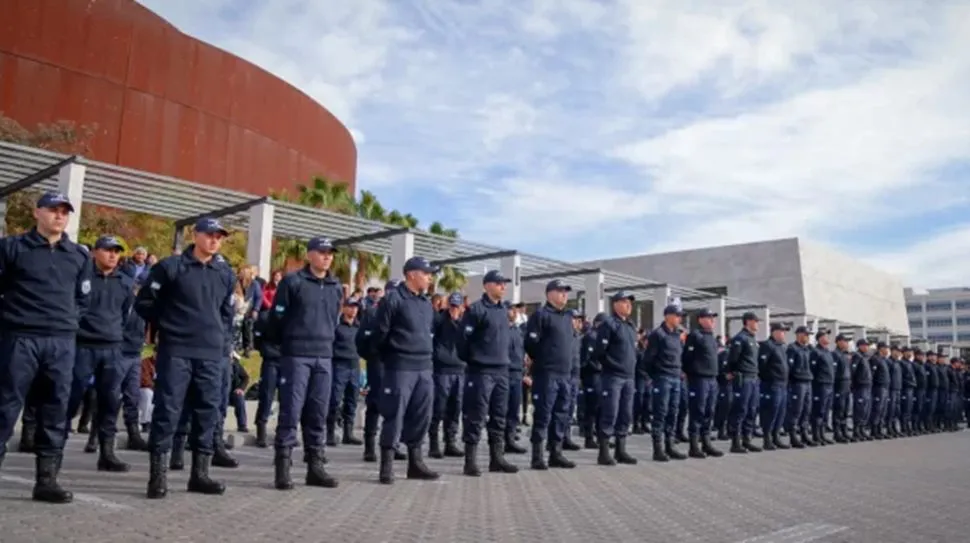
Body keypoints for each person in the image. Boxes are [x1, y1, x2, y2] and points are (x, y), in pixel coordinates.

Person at [0, 191, 92, 504]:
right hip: (20, 338)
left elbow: (83, 299)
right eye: (53, 210)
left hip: (61, 342)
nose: (59, 216)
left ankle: (47, 480)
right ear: (37, 212)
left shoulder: (78, 255)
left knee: (56, 409)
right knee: (5, 406)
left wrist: (65, 322)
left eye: (65, 211)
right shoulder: (12, 248)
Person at [137, 217, 235, 499]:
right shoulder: (170, 267)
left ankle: (200, 474)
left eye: (220, 236)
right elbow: (144, 303)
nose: (215, 240)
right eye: (210, 235)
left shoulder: (225, 272)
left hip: (211, 354)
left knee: (207, 411)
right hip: (177, 350)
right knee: (167, 410)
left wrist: (222, 341)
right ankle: (158, 476)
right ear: (196, 235)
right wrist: (169, 325)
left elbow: (227, 314)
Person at [269, 237, 343, 490]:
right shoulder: (293, 282)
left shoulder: (335, 286)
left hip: (324, 356)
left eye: (330, 253)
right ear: (309, 254)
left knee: (318, 413)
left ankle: (315, 467)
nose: (327, 257)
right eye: (322, 252)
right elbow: (277, 319)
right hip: (296, 355)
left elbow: (334, 319)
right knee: (291, 410)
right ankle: (283, 467)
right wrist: (289, 342)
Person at [66, 235, 135, 471]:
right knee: (70, 397)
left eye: (117, 251)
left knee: (110, 401)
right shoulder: (82, 276)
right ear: (95, 252)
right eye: (108, 250)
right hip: (82, 346)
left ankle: (107, 453)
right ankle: (54, 450)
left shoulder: (125, 282)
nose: (113, 255)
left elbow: (125, 314)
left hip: (112, 348)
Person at [371, 257, 441, 484]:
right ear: (411, 274)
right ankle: (387, 466)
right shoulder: (393, 299)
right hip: (400, 367)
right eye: (427, 273)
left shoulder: (425, 303)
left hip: (424, 367)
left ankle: (415, 463)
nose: (430, 277)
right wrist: (390, 357)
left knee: (421, 416)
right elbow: (379, 334)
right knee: (394, 415)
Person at [459, 270, 517, 476]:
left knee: (499, 417)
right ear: (487, 285)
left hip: (502, 371)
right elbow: (462, 343)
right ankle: (470, 461)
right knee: (476, 416)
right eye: (499, 283)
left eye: (504, 283)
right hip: (481, 371)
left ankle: (497, 459)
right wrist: (476, 360)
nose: (504, 287)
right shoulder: (476, 310)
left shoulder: (503, 310)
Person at [523, 279, 577, 471]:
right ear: (549, 294)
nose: (564, 294)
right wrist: (544, 360)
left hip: (565, 375)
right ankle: (537, 457)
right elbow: (530, 344)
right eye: (560, 291)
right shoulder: (540, 315)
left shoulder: (567, 317)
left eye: (566, 291)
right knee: (543, 415)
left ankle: (556, 453)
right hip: (547, 374)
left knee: (561, 415)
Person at [591, 291, 639, 466]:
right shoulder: (609, 324)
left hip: (629, 377)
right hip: (613, 377)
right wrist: (612, 366)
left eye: (630, 302)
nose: (629, 305)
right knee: (610, 413)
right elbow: (599, 353)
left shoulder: (631, 326)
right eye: (625, 302)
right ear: (615, 304)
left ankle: (621, 450)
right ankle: (604, 452)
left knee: (625, 414)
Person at [643, 304, 687, 462]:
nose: (679, 319)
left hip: (676, 378)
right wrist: (654, 377)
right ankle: (658, 448)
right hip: (663, 378)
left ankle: (670, 445)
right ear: (668, 316)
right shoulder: (658, 335)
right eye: (677, 315)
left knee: (673, 412)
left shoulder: (677, 335)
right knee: (660, 413)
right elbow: (648, 359)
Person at [681, 307, 723, 458]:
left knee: (709, 411)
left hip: (712, 379)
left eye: (713, 317)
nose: (712, 320)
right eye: (709, 317)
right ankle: (694, 446)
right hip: (699, 379)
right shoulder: (695, 336)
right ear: (700, 319)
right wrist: (691, 374)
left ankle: (706, 442)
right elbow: (687, 358)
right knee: (697, 411)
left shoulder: (711, 336)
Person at [429, 292, 466, 459]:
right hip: (442, 370)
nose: (454, 309)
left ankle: (450, 442)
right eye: (452, 305)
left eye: (457, 306)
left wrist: (457, 320)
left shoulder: (464, 322)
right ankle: (433, 444)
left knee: (455, 408)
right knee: (438, 408)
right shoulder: (438, 320)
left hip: (459, 370)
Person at [328, 297, 362, 447]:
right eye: (350, 306)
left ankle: (348, 433)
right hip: (339, 365)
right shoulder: (336, 326)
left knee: (352, 400)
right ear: (344, 308)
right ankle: (329, 432)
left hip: (354, 366)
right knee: (335, 400)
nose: (353, 310)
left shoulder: (359, 326)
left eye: (356, 307)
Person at [505, 305, 527, 454]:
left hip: (517, 373)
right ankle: (499, 441)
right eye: (511, 310)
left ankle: (510, 440)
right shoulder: (501, 330)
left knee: (514, 409)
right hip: (504, 373)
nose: (514, 312)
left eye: (515, 310)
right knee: (501, 410)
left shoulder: (518, 331)